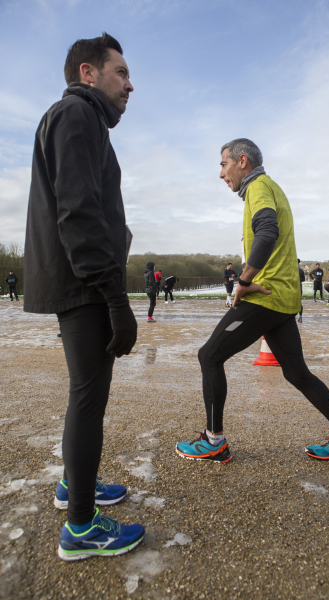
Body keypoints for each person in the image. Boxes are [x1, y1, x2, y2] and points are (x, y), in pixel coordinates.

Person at [24, 33, 144, 561]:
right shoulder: (76, 115)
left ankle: (77, 488)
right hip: (85, 284)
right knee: (88, 398)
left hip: (79, 279)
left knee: (84, 395)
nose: (130, 83)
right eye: (120, 72)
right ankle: (81, 529)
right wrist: (115, 296)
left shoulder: (78, 118)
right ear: (88, 73)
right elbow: (79, 211)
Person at [176, 138, 329, 464]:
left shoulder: (259, 188)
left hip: (265, 295)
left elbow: (267, 232)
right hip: (282, 298)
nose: (221, 173)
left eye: (223, 164)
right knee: (297, 374)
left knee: (209, 356)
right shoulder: (267, 187)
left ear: (242, 161)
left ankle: (213, 441)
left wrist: (244, 281)